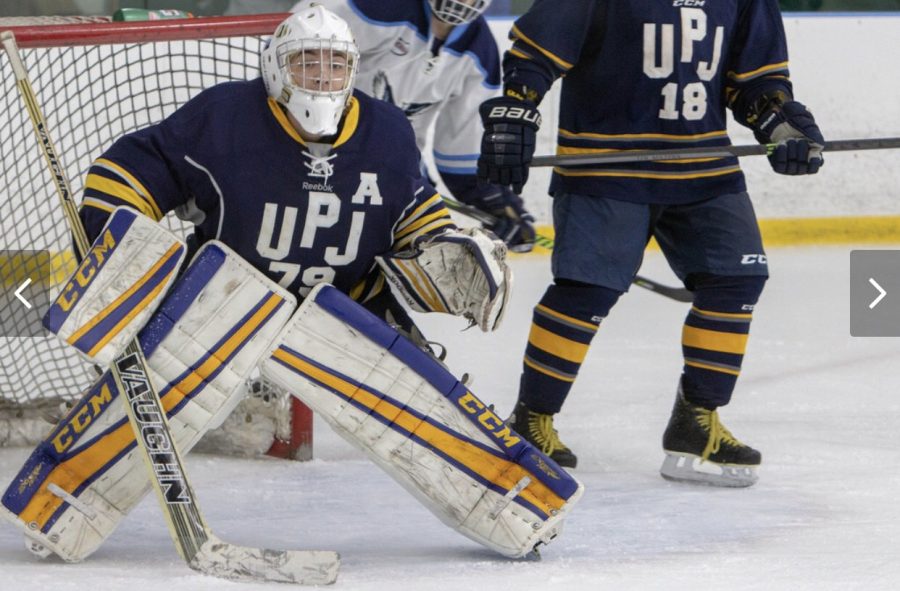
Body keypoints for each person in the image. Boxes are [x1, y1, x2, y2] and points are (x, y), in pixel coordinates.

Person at [2, 7, 587, 564]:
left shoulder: (385, 132)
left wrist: (445, 244)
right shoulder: (224, 117)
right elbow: (129, 169)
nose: (322, 77)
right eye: (308, 63)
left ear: (354, 71)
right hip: (224, 305)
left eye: (334, 65)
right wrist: (116, 240)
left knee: (422, 408)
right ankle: (58, 509)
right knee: (149, 401)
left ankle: (517, 512)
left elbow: (412, 208)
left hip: (340, 314)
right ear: (276, 68)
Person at [478, 0, 824, 486]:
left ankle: (695, 424)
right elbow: (536, 52)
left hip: (704, 166)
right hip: (605, 165)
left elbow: (753, 81)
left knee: (738, 279)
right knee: (587, 291)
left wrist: (777, 119)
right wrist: (516, 108)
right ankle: (531, 420)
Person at [290, 0, 536, 252]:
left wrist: (493, 201)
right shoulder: (374, 8)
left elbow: (461, 152)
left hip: (399, 174)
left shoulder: (480, 51)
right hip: (318, 159)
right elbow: (295, 39)